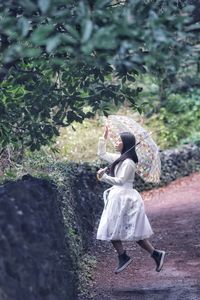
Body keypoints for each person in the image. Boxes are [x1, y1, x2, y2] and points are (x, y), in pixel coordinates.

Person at [96, 126, 166, 274]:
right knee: (111, 228)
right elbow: (101, 153)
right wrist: (104, 138)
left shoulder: (129, 162)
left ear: (125, 143)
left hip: (126, 199)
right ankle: (125, 256)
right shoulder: (119, 158)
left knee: (133, 231)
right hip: (117, 197)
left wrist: (104, 177)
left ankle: (153, 254)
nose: (116, 142)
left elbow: (121, 181)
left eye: (118, 140)